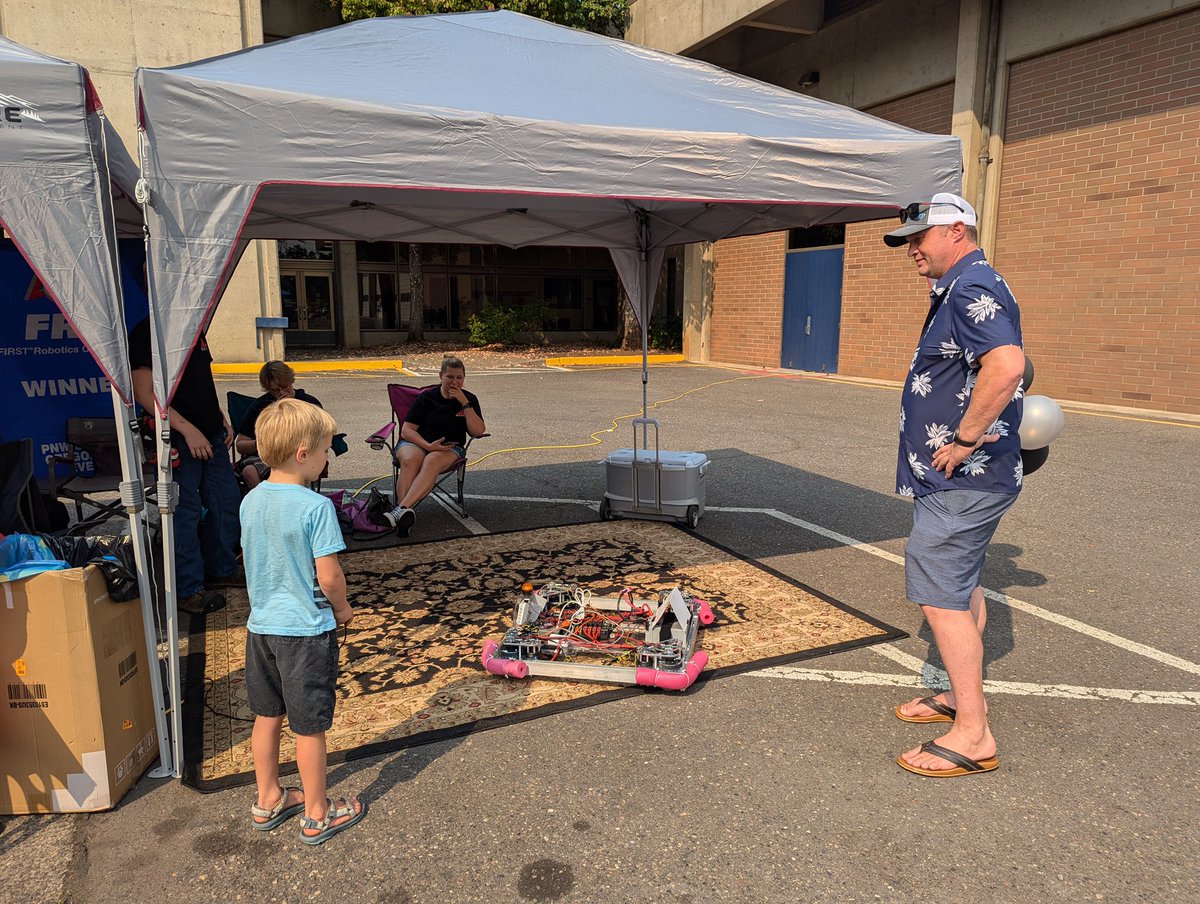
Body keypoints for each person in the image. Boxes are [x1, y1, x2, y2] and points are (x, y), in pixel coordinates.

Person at [883, 192, 1025, 778]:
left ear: (958, 231)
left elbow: (1008, 364)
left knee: (940, 596)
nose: (912, 249)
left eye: (922, 236)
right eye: (908, 240)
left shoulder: (970, 288)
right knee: (961, 587)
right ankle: (950, 695)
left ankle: (973, 734)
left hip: (966, 477)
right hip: (960, 480)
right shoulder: (968, 283)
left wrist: (966, 438)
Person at [240, 398, 366, 844]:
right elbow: (329, 576)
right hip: (305, 633)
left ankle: (268, 797)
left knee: (266, 715)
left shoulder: (251, 500)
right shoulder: (316, 508)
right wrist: (343, 609)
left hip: (261, 629)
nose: (328, 457)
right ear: (302, 453)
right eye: (325, 449)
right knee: (310, 727)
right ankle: (317, 812)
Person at [130, 318, 242, 615]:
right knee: (184, 512)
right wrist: (186, 429)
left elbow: (201, 381)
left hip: (211, 433)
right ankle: (187, 589)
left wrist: (219, 418)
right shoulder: (148, 332)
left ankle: (221, 569)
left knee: (225, 500)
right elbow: (144, 392)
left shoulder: (194, 327)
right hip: (177, 438)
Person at [378, 356, 486, 536]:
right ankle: (403, 514)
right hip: (417, 442)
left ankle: (399, 511)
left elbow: (477, 431)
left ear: (464, 378)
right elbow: (407, 430)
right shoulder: (427, 398)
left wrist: (464, 403)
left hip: (449, 448)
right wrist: (427, 445)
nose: (454, 381)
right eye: (450, 377)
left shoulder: (469, 399)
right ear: (440, 376)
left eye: (459, 377)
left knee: (432, 461)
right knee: (409, 461)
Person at [234, 361, 323, 489]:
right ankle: (267, 504)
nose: (281, 392)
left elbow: (322, 435)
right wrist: (263, 443)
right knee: (250, 471)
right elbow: (241, 444)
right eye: (275, 390)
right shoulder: (260, 406)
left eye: (284, 386)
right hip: (266, 456)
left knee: (292, 469)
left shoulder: (310, 404)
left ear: (291, 381)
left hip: (300, 454)